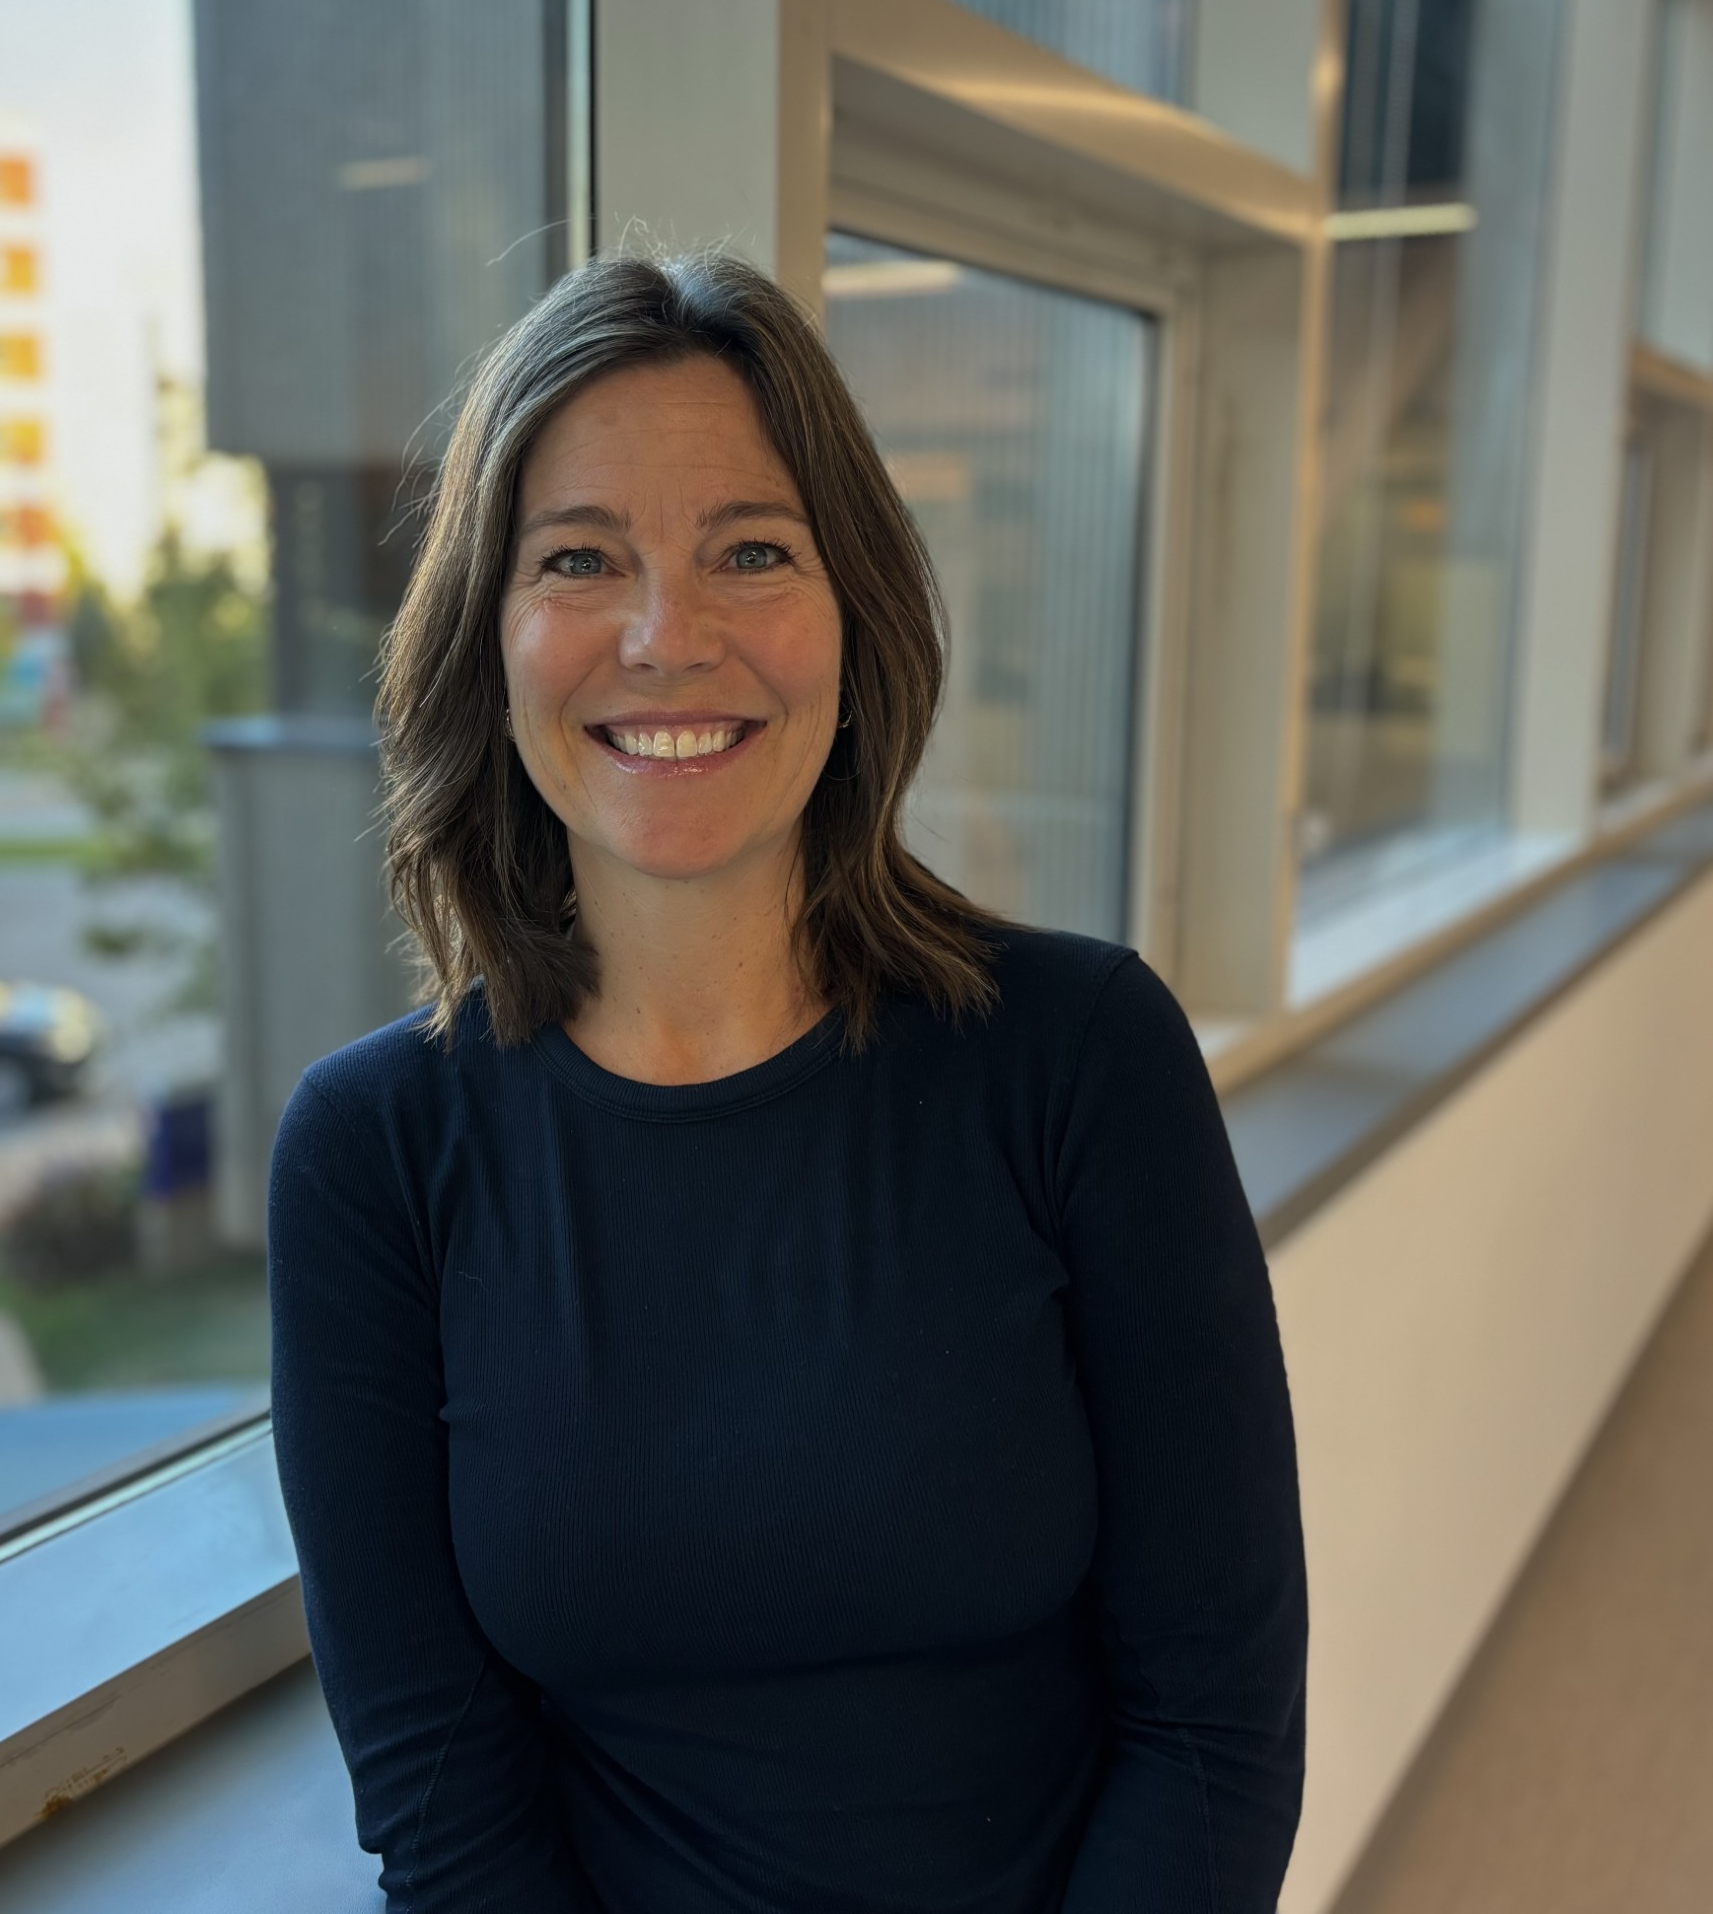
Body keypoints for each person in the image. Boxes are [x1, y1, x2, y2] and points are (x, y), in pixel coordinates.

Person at [268, 250, 1306, 1913]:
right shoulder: (373, 1157)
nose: (667, 638)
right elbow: (447, 1811)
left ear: (854, 614)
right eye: (580, 559)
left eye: (750, 550)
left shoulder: (1081, 1057)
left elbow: (1214, 1727)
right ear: (493, 636)